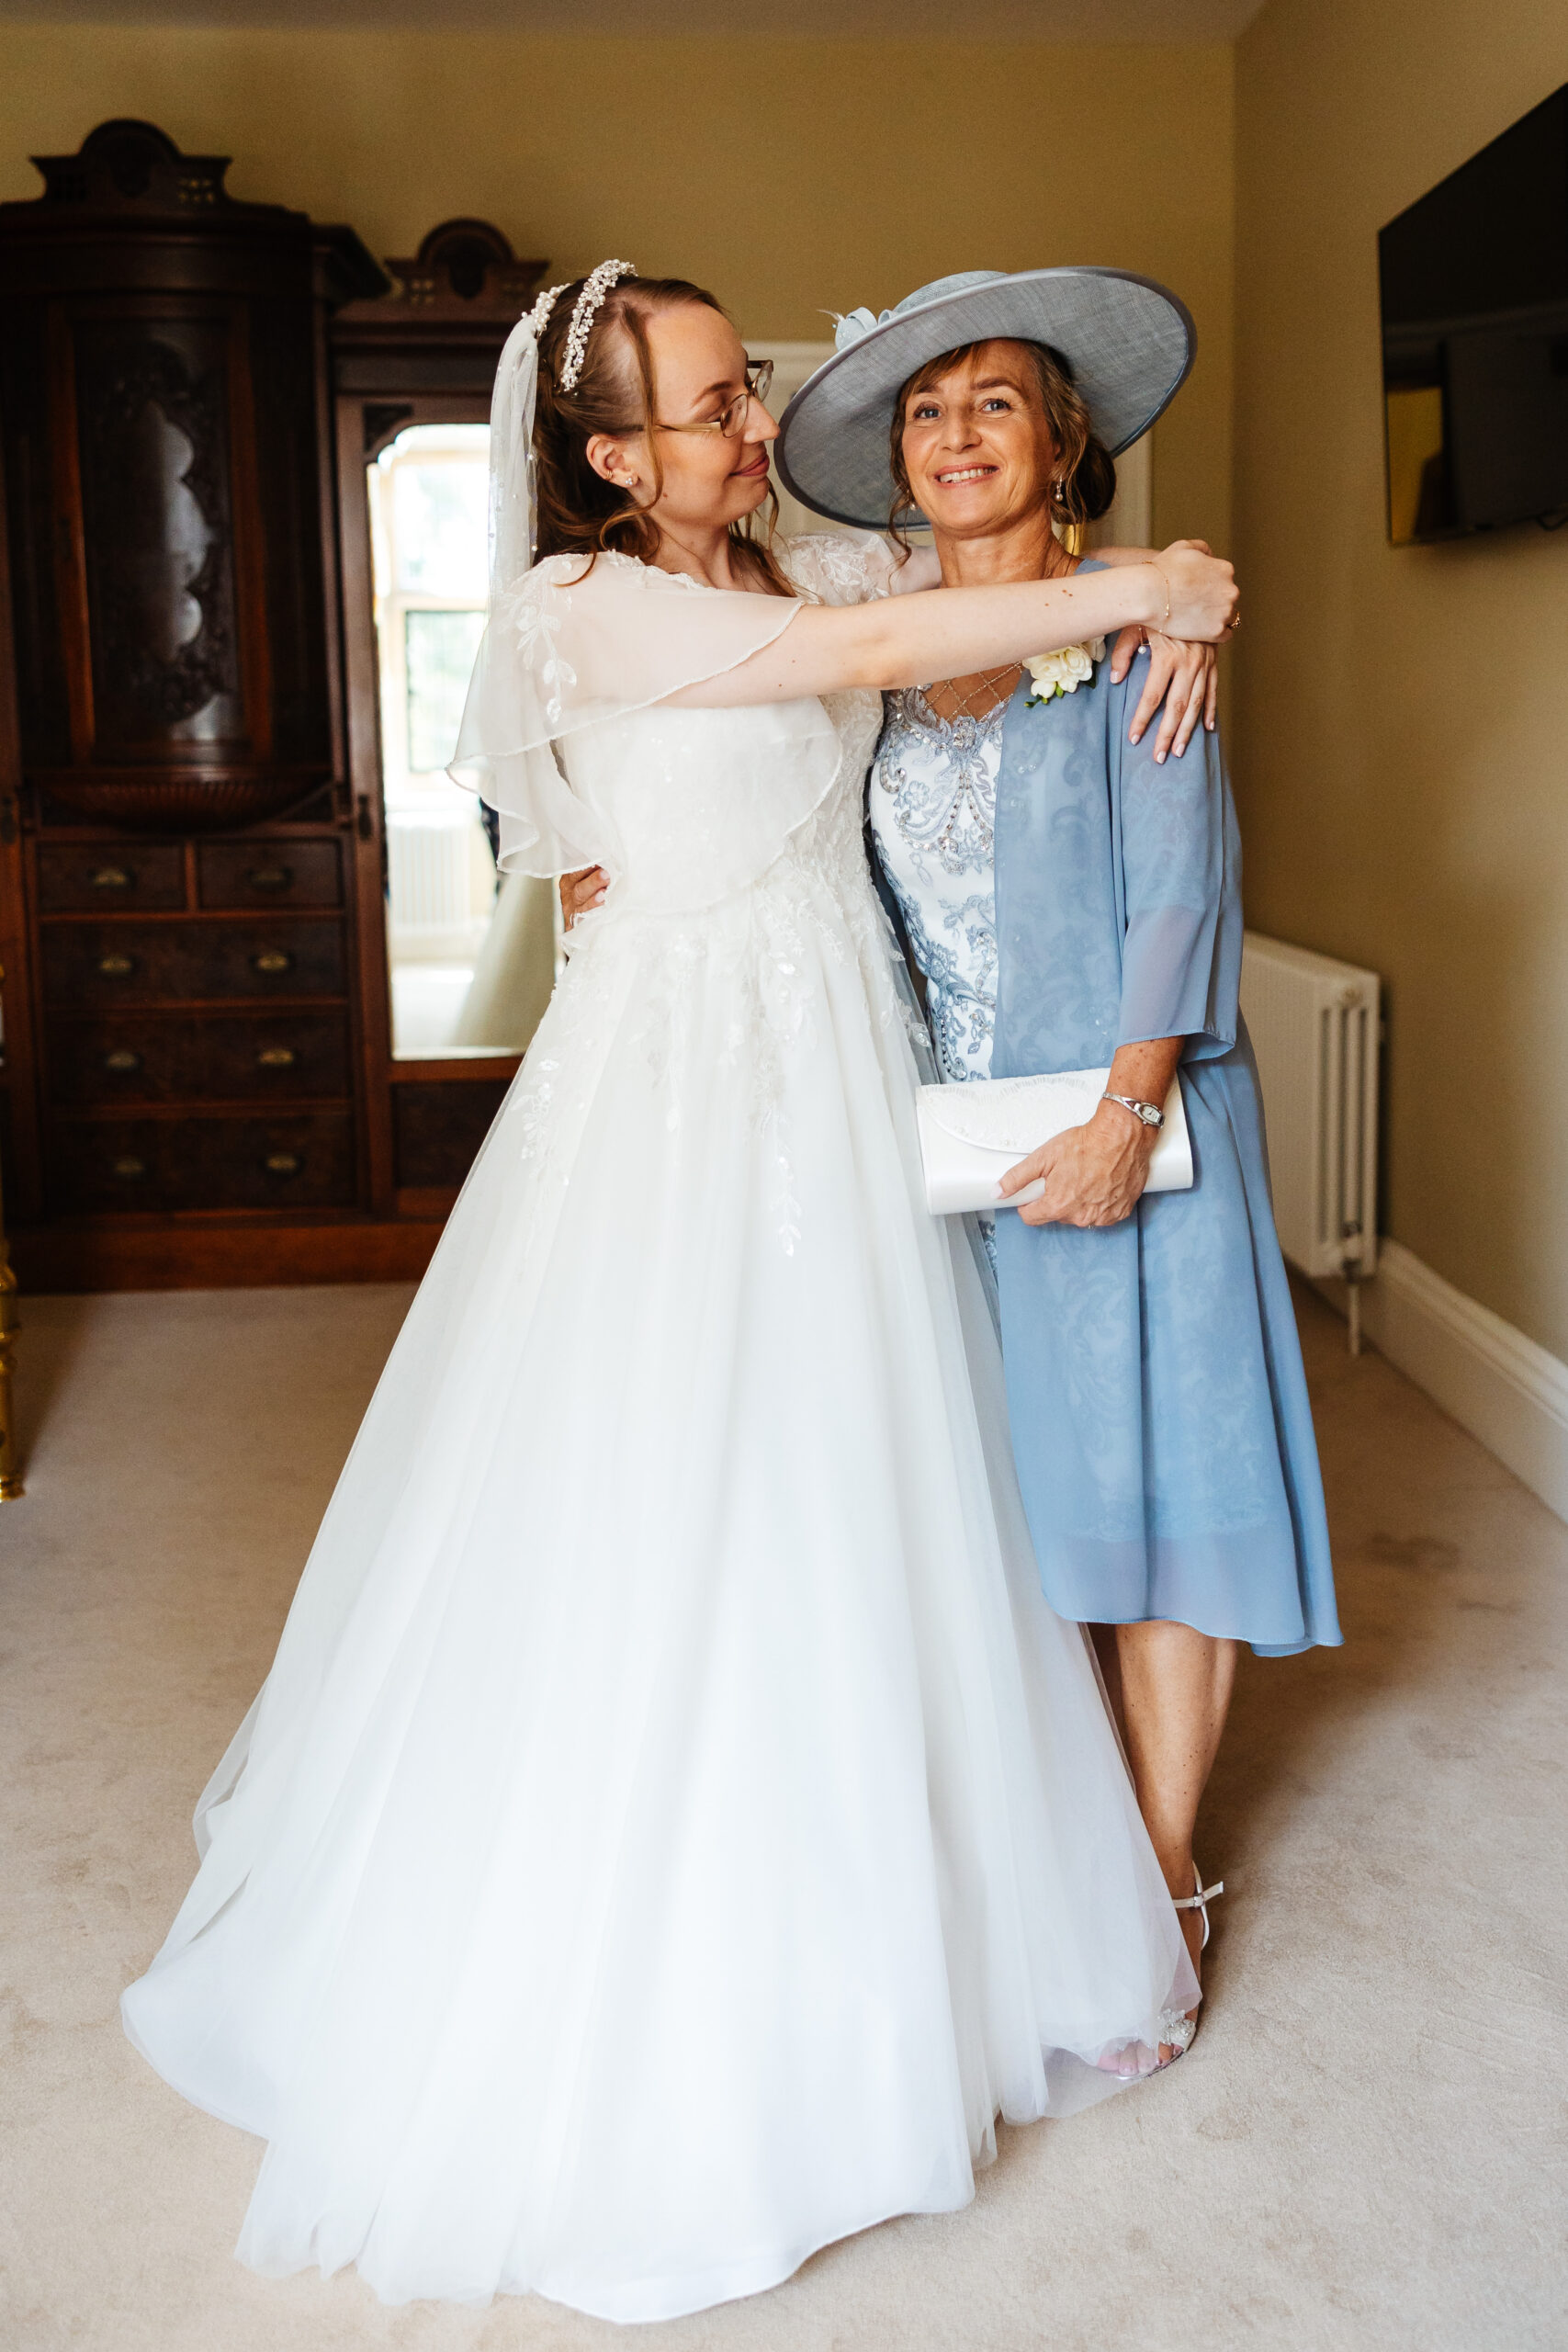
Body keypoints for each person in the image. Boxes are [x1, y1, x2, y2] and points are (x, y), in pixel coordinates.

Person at [119, 262, 1236, 2321]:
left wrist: (1127, 596)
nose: (755, 423)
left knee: (866, 1490)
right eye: (715, 404)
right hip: (683, 1094)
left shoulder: (793, 549)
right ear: (608, 452)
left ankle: (907, 1915)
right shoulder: (584, 604)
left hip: (839, 1055)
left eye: (745, 392)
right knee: (669, 1487)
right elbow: (889, 639)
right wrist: (1144, 585)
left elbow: (945, 602)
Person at [773, 268, 1342, 2040]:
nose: (957, 434)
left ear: (1063, 438)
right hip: (953, 1150)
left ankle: (1159, 1868)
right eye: (928, 409)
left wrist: (1125, 1112)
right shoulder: (866, 652)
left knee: (1166, 1501)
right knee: (1029, 1517)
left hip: (1128, 1123)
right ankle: (1056, 1842)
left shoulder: (1133, 637)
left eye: (996, 401)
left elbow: (1181, 888)